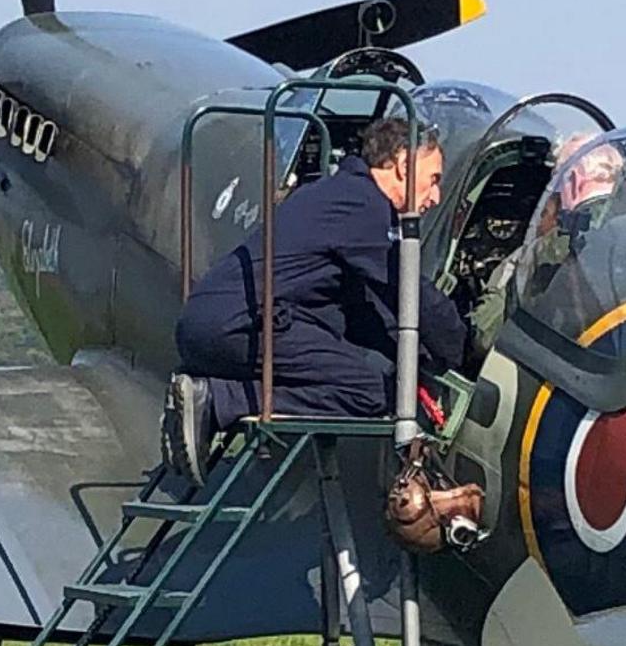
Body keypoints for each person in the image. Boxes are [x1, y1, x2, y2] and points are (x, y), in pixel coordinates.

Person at [175, 112, 475, 423]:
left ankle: (212, 399)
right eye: (434, 180)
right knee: (370, 393)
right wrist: (463, 350)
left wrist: (414, 353)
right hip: (239, 327)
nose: (436, 196)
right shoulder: (364, 207)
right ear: (403, 167)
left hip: (206, 322)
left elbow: (358, 311)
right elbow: (407, 289)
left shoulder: (336, 193)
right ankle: (219, 400)